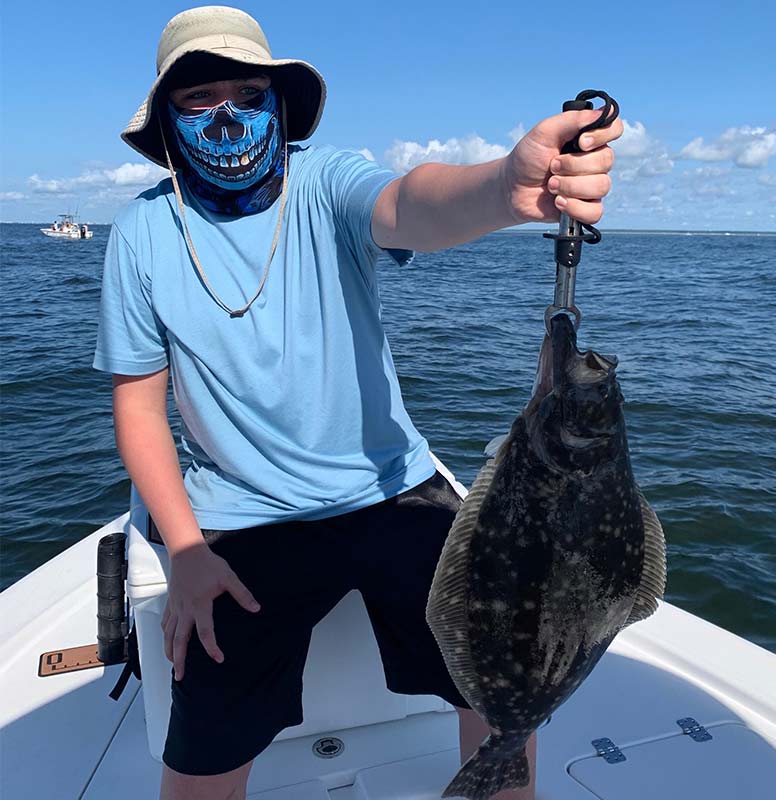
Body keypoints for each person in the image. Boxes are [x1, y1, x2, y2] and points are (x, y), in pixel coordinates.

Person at [93, 6, 622, 800]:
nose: (227, 116)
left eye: (246, 92)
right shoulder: (142, 232)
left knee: (499, 667)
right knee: (203, 741)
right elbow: (139, 408)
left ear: (280, 104)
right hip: (240, 516)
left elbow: (413, 203)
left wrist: (505, 188)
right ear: (167, 119)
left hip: (392, 489)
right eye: (199, 99)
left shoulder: (326, 180)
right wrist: (187, 552)